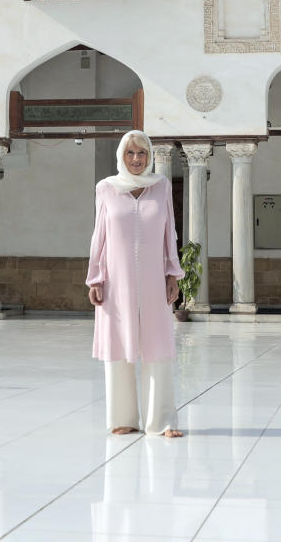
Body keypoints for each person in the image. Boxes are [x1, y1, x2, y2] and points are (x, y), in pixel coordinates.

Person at [86, 130, 184, 438]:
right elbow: (99, 235)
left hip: (155, 280)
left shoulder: (161, 187)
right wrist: (96, 278)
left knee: (158, 347)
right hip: (116, 282)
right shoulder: (106, 188)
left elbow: (171, 233)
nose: (137, 159)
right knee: (119, 346)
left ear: (150, 155)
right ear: (121, 156)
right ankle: (123, 418)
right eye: (130, 153)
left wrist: (172, 274)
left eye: (142, 153)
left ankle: (162, 421)